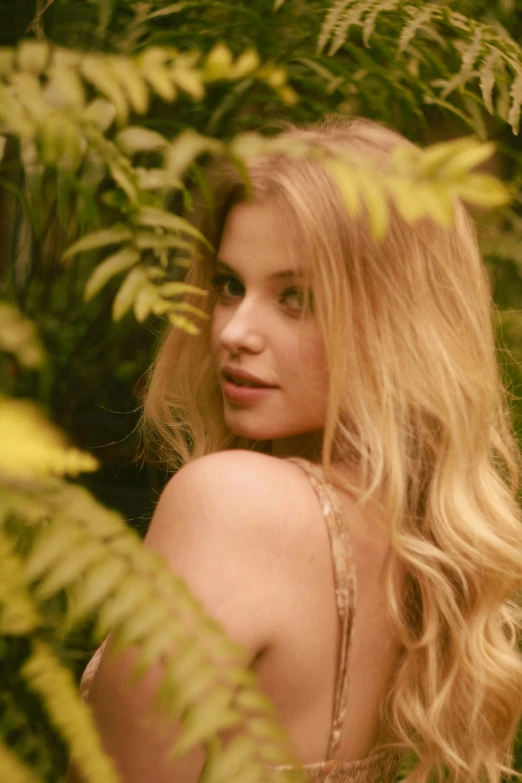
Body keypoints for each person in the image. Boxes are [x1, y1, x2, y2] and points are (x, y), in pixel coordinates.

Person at [76, 117, 522, 783]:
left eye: (295, 298)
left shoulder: (232, 502)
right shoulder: (424, 547)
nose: (234, 330)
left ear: (392, 322)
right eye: (230, 284)